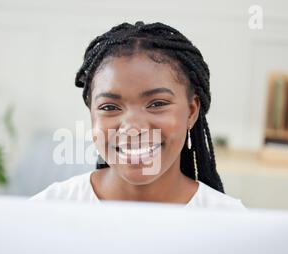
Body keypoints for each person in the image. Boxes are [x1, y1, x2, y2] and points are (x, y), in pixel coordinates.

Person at [30, 21, 246, 210]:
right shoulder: (46, 210)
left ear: (191, 111)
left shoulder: (230, 221)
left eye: (157, 104)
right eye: (109, 107)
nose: (133, 127)